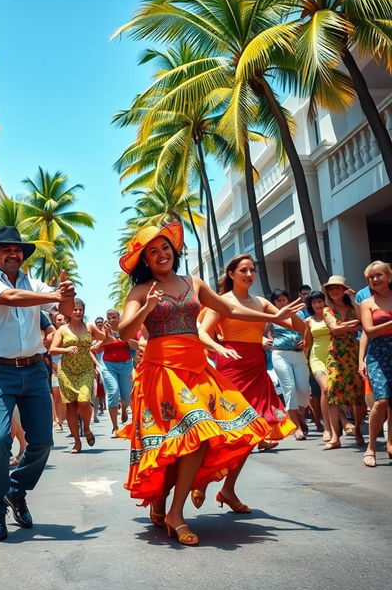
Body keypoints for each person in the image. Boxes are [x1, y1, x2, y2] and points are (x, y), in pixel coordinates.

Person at [118, 223, 302, 546]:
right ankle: (161, 499)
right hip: (160, 372)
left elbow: (230, 308)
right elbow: (123, 331)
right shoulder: (140, 291)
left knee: (199, 435)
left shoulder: (194, 283)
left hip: (196, 368)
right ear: (145, 260)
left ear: (173, 252)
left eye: (165, 248)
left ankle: (175, 511)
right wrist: (146, 307)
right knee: (170, 441)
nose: (161, 255)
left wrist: (272, 318)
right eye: (153, 251)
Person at [0, 226, 75, 541]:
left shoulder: (35, 284)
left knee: (43, 441)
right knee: (0, 440)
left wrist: (67, 295)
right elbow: (10, 298)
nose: (14, 254)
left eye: (17, 250)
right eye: (7, 250)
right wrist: (55, 295)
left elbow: (64, 312)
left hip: (33, 370)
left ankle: (16, 490)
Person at [201, 255, 300, 449]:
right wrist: (218, 347)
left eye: (252, 270)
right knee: (235, 406)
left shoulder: (261, 302)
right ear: (231, 274)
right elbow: (203, 332)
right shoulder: (221, 301)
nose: (249, 274)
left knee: (258, 403)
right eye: (243, 270)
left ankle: (259, 438)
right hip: (232, 360)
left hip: (256, 359)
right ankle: (233, 445)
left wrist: (294, 314)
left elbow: (294, 325)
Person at [49, 298, 105, 453]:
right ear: (69, 311)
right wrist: (65, 350)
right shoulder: (62, 330)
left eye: (80, 309)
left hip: (86, 369)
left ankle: (86, 428)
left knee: (84, 400)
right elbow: (52, 349)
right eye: (75, 309)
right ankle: (76, 442)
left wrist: (102, 337)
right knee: (71, 407)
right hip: (67, 372)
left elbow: (104, 338)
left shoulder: (89, 327)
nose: (78, 312)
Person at [322, 275, 366, 450]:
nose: (334, 291)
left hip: (353, 353)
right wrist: (354, 324)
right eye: (331, 288)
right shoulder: (328, 310)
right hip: (336, 355)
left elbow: (363, 322)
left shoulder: (351, 306)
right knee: (332, 395)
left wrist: (354, 300)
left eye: (337, 288)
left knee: (358, 396)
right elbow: (335, 328)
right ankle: (334, 436)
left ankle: (357, 430)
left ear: (344, 290)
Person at [359, 261, 392, 467]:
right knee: (380, 400)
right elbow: (369, 331)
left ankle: (390, 443)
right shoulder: (367, 303)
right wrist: (361, 359)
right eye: (371, 277)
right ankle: (371, 447)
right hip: (378, 353)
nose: (375, 280)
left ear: (389, 277)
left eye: (379, 275)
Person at [266, 289, 309, 440]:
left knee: (304, 389)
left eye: (284, 299)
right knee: (289, 388)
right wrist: (264, 340)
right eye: (278, 300)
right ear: (274, 302)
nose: (282, 302)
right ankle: (296, 426)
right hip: (280, 354)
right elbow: (262, 331)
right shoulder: (272, 316)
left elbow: (306, 330)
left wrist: (305, 341)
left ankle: (300, 415)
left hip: (298, 353)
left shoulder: (299, 313)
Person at [100, 308, 136, 437]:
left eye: (114, 317)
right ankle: (115, 427)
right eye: (109, 317)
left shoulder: (126, 329)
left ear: (119, 318)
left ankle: (125, 408)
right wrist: (105, 334)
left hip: (126, 365)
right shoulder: (103, 331)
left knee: (127, 396)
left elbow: (136, 345)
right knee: (113, 392)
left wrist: (122, 337)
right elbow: (98, 345)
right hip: (108, 365)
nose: (111, 320)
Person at [303, 291, 332, 442]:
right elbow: (307, 343)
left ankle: (339, 423)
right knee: (325, 389)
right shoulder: (308, 321)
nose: (317, 305)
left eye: (320, 301)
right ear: (311, 305)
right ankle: (327, 427)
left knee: (334, 390)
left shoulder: (332, 316)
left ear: (324, 302)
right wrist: (304, 360)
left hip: (334, 356)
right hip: (317, 358)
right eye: (314, 302)